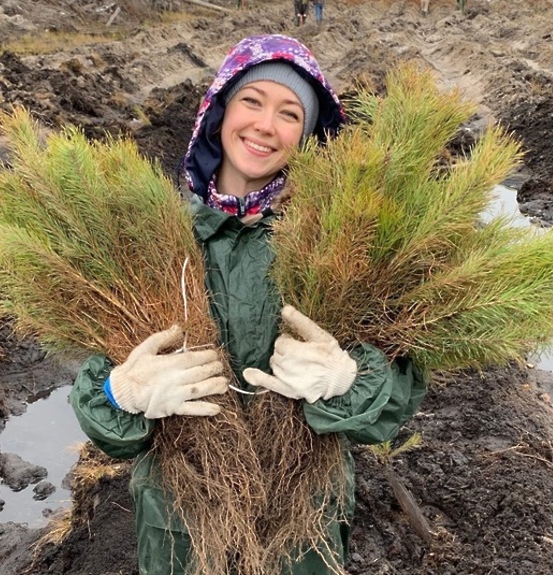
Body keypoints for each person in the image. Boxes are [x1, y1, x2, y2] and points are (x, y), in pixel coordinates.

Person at [70, 34, 427, 575]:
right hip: (180, 524)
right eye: (252, 101)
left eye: (289, 113)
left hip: (302, 525)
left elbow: (396, 396)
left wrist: (351, 380)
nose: (265, 125)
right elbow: (102, 404)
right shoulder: (152, 236)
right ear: (220, 111)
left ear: (308, 136)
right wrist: (119, 393)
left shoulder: (342, 243)